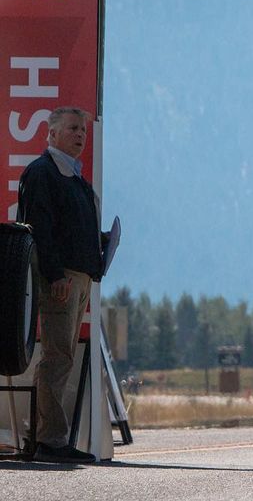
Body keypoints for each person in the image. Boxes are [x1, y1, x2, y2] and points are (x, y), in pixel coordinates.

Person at [16, 107, 106, 464]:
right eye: (72, 128)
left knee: (62, 357)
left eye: (83, 129)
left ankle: (49, 435)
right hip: (61, 278)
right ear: (51, 133)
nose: (80, 135)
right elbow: (39, 227)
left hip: (79, 276)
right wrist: (54, 276)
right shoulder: (43, 172)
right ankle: (49, 440)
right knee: (56, 357)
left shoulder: (75, 176)